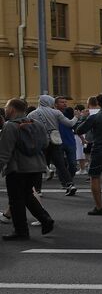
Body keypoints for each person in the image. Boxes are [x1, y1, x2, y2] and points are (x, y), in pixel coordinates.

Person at [1, 99, 56, 241]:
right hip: (36, 167)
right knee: (27, 196)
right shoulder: (36, 124)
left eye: (6, 107)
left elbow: (5, 152)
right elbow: (45, 143)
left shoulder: (10, 126)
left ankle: (21, 231)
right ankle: (45, 219)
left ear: (12, 109)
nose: (5, 110)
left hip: (17, 168)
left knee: (16, 200)